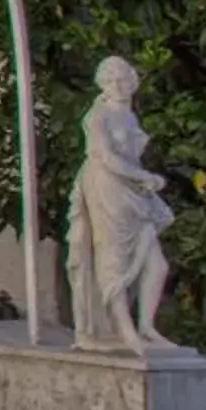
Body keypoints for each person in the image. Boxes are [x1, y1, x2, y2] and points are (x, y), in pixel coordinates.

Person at [67, 55, 178, 352]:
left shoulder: (128, 115)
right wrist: (144, 175)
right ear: (102, 84)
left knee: (157, 263)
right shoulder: (98, 115)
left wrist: (141, 179)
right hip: (106, 186)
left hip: (132, 189)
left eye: (123, 79)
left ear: (133, 82)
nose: (118, 86)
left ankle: (146, 327)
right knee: (112, 257)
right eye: (111, 81)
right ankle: (123, 328)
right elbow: (104, 156)